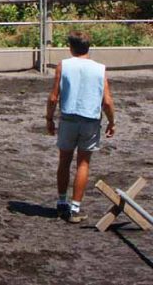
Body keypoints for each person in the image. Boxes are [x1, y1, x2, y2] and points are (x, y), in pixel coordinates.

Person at [46, 30, 115, 224]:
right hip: (90, 120)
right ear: (88, 47)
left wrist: (49, 119)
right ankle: (75, 207)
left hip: (68, 118)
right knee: (83, 163)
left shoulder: (64, 66)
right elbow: (107, 102)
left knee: (64, 160)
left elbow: (53, 97)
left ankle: (61, 202)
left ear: (71, 47)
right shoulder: (100, 69)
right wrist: (111, 121)